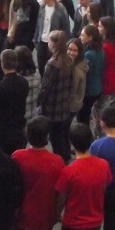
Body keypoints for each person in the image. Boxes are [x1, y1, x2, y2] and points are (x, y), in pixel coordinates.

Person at [38, 30, 75, 161]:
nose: (47, 43)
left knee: (54, 139)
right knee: (63, 136)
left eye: (49, 41)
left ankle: (60, 162)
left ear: (53, 45)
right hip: (64, 105)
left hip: (51, 108)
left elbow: (45, 88)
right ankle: (65, 158)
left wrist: (39, 103)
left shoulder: (52, 64)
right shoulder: (69, 60)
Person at [0, 49, 30, 154]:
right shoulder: (24, 83)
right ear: (16, 63)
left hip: (4, 130)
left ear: (2, 65)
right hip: (19, 128)